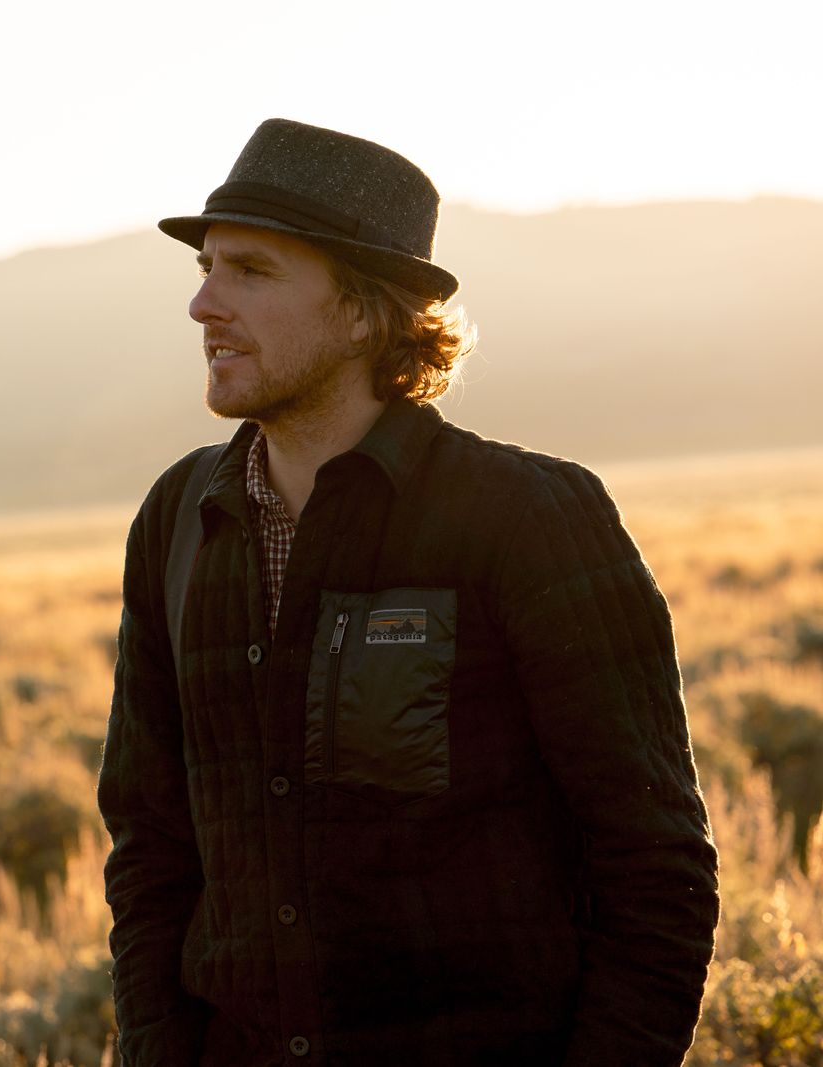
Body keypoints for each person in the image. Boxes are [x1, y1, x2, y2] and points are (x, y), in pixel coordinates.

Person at [97, 119, 719, 1065]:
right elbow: (149, 848)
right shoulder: (179, 521)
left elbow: (655, 860)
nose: (202, 304)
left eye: (251, 272)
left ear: (363, 312)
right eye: (205, 267)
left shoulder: (527, 515)